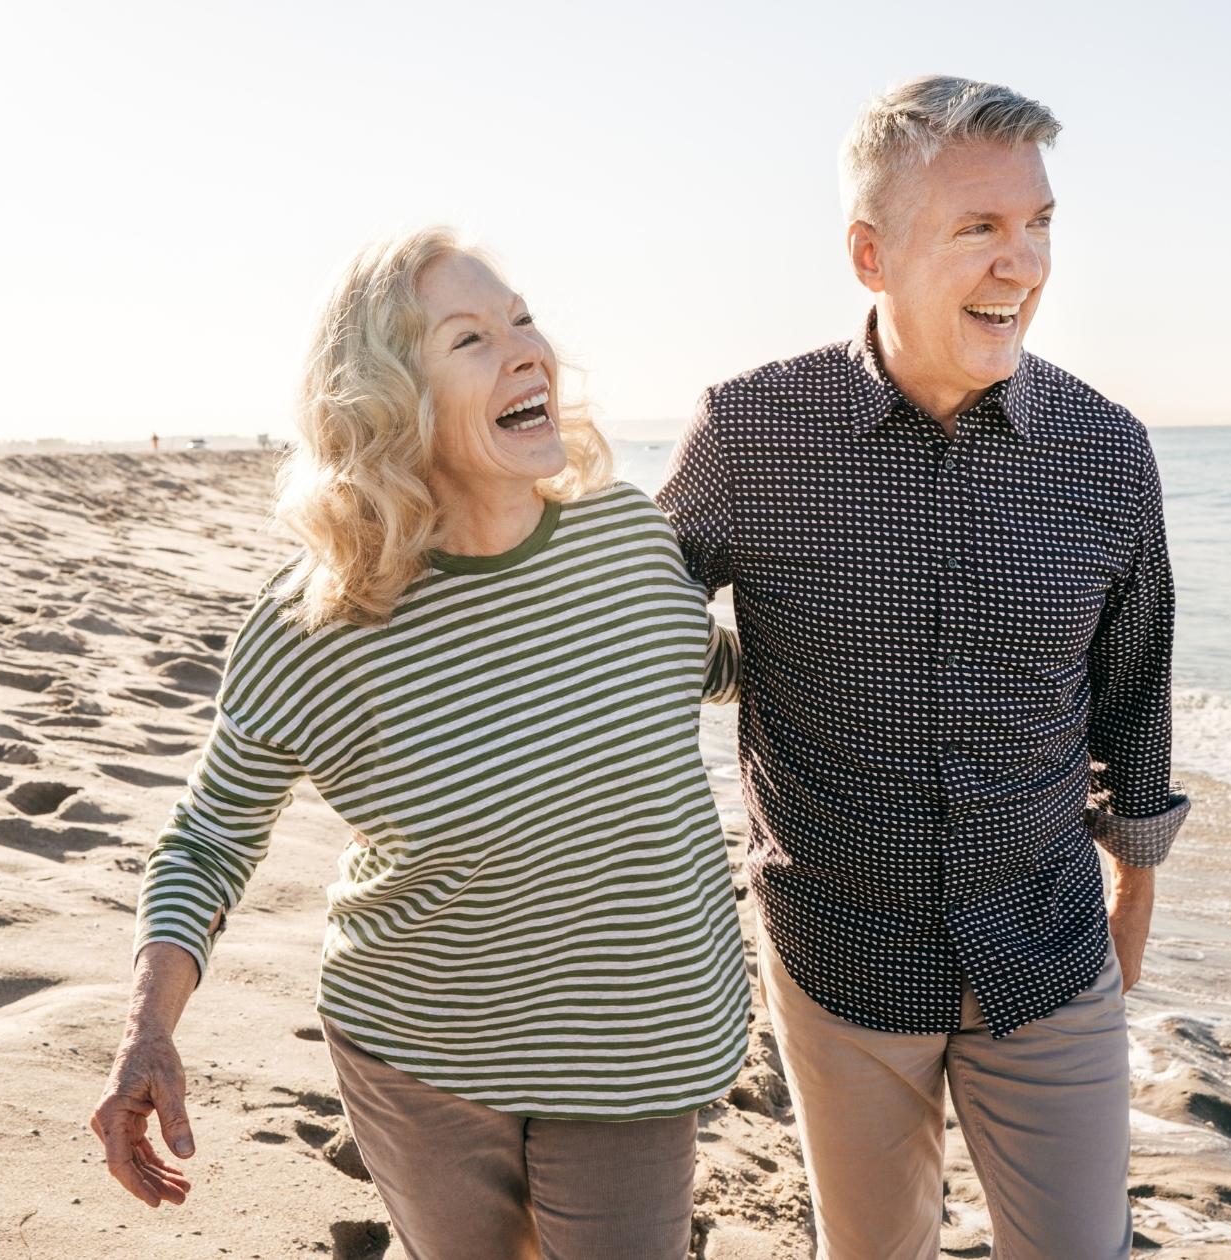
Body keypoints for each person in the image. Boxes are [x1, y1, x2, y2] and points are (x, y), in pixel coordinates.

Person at [88, 227, 749, 1260]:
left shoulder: (628, 537)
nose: (527, 350)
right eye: (472, 339)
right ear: (386, 398)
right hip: (420, 1053)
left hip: (631, 1047)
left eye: (522, 319)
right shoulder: (318, 623)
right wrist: (148, 1028)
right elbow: (208, 840)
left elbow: (719, 670)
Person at [656, 75, 1189, 1260]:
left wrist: (1134, 883)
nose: (1024, 263)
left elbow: (1136, 684)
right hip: (836, 948)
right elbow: (630, 631)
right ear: (869, 255)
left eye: (1039, 222)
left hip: (1047, 940)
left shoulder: (1107, 451)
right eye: (980, 229)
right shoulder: (749, 432)